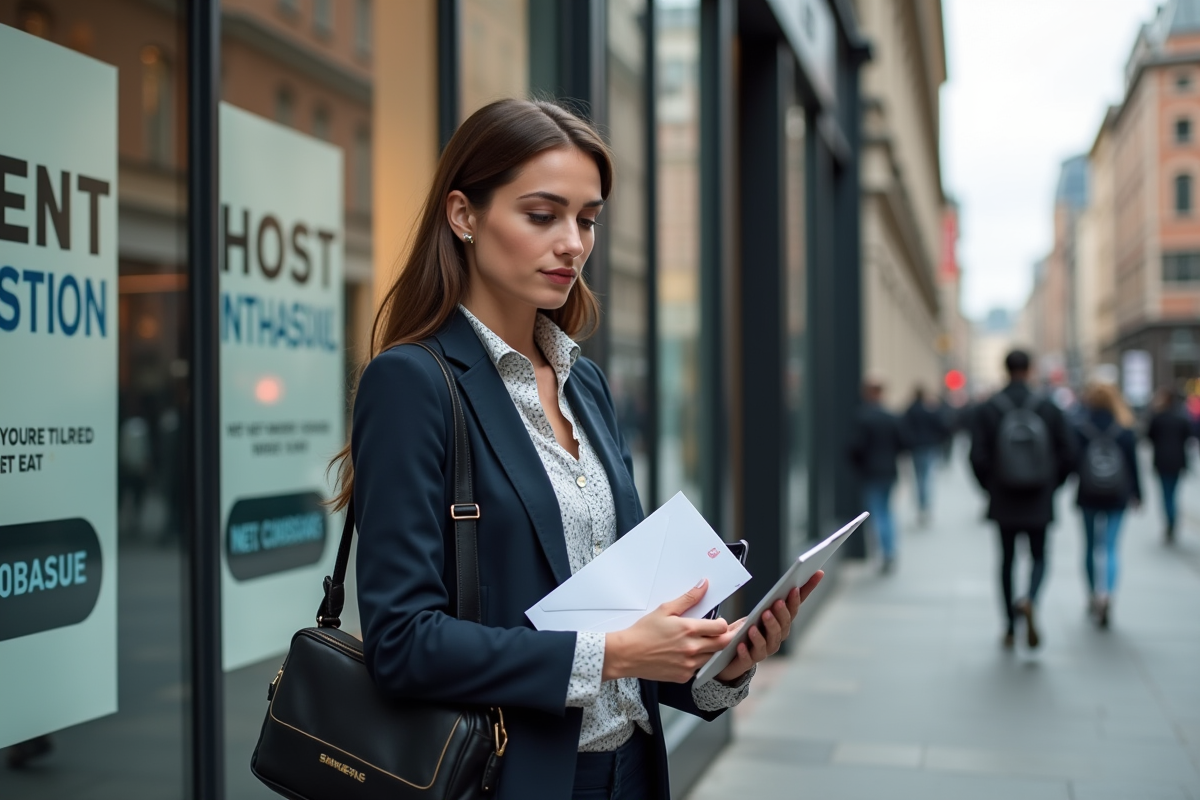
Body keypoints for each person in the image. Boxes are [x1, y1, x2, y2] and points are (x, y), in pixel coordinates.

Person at [330, 99, 821, 800]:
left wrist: (721, 662)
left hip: (633, 769)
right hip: (509, 777)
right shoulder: (412, 383)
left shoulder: (582, 381)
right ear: (463, 215)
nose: (573, 243)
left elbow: (623, 617)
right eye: (542, 215)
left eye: (586, 219)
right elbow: (403, 643)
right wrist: (614, 652)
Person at [969, 350, 1074, 650]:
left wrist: (989, 487)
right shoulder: (1048, 407)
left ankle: (1009, 627)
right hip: (1039, 497)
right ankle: (1030, 598)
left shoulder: (989, 407)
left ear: (1005, 369)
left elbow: (976, 456)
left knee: (1006, 560)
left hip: (1003, 498)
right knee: (1040, 556)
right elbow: (1069, 452)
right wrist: (1052, 485)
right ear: (1029, 370)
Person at [1073, 383, 1141, 628]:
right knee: (1111, 547)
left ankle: (1092, 595)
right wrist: (1138, 494)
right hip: (1117, 494)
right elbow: (1133, 465)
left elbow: (1073, 462)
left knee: (1090, 546)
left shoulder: (1081, 427)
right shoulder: (1124, 429)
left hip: (1089, 494)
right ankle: (1107, 594)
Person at [848, 377, 907, 572]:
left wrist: (858, 464)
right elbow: (903, 442)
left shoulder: (863, 417)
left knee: (877, 513)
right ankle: (889, 551)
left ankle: (885, 552)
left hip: (871, 472)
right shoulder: (891, 416)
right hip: (888, 470)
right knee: (887, 511)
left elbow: (856, 447)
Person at [1146, 386, 1195, 543]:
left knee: (1166, 494)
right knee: (1173, 493)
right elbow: (1188, 436)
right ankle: (1172, 521)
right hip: (1177, 461)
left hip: (1162, 460)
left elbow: (1148, 436)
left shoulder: (1158, 417)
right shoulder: (1181, 418)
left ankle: (1170, 522)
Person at [902, 385, 947, 526]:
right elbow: (941, 425)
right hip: (929, 446)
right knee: (927, 477)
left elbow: (903, 428)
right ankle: (925, 506)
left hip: (916, 447)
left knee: (919, 477)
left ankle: (921, 507)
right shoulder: (929, 409)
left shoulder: (910, 410)